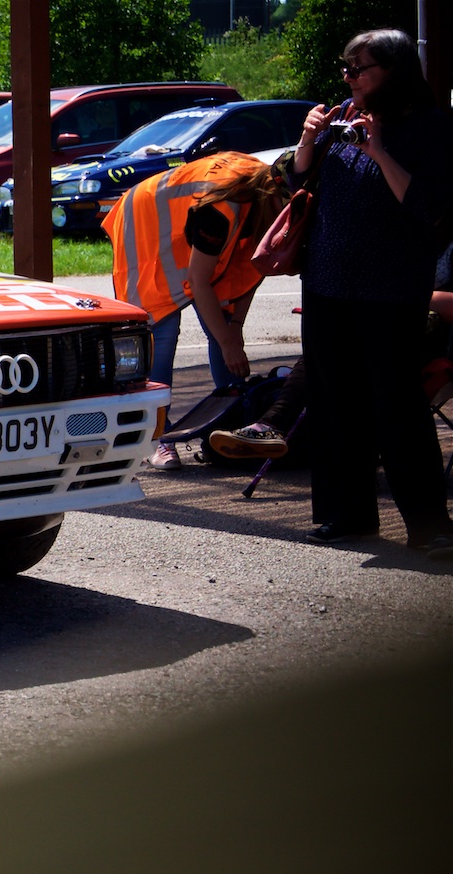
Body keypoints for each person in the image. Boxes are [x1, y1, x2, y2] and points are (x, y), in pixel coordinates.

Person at [292, 28, 453, 558]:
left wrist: (379, 149)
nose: (350, 78)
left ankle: (429, 525)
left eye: (360, 69)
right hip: (327, 282)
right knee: (334, 400)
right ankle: (346, 516)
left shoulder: (430, 129)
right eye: (347, 68)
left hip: (391, 289)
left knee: (398, 406)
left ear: (395, 71)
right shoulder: (342, 117)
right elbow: (295, 182)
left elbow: (429, 209)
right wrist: (308, 141)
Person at [105, 152, 290, 470]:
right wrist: (228, 341)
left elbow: (250, 270)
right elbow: (198, 281)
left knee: (225, 328)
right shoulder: (221, 209)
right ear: (276, 194)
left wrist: (234, 329)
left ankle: (227, 431)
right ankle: (155, 437)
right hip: (146, 226)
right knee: (161, 334)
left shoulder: (267, 194)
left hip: (187, 230)